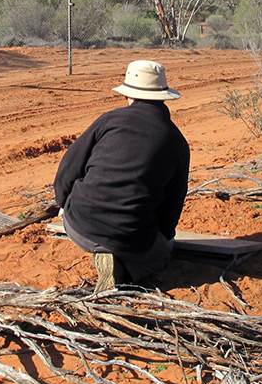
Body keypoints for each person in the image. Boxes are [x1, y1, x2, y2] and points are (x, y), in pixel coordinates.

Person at [54, 60, 190, 292]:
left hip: (80, 225)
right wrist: (162, 239)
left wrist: (63, 204)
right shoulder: (177, 142)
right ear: (163, 98)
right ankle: (126, 267)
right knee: (161, 254)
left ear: (130, 96)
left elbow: (69, 168)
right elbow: (172, 206)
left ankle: (106, 254)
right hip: (131, 237)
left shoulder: (109, 121)